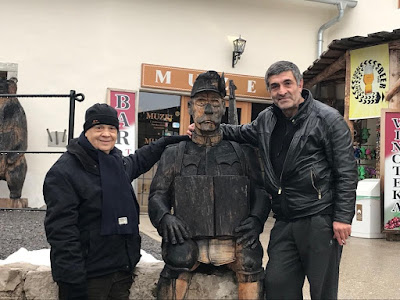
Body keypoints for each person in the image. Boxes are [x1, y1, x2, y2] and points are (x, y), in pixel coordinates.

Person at [188, 61, 358, 299]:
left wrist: (342, 217)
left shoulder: (328, 119)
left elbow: (347, 171)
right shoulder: (267, 119)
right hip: (284, 219)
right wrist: (206, 128)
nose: (281, 91)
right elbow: (241, 132)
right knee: (278, 285)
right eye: (274, 86)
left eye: (287, 83)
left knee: (323, 290)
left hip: (318, 218)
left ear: (300, 84)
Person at [43, 103, 189, 300]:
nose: (106, 134)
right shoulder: (64, 172)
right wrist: (72, 282)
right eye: (99, 128)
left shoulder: (114, 162)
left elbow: (139, 160)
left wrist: (167, 142)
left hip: (120, 272)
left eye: (112, 128)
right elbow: (61, 233)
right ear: (86, 131)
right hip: (88, 279)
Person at [148, 71, 270, 300]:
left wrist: (255, 220)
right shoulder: (174, 153)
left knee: (251, 258)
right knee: (179, 256)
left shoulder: (242, 151)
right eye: (202, 103)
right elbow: (157, 194)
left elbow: (260, 192)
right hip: (189, 239)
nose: (208, 110)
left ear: (223, 108)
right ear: (191, 107)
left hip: (233, 241)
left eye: (214, 103)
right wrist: (165, 217)